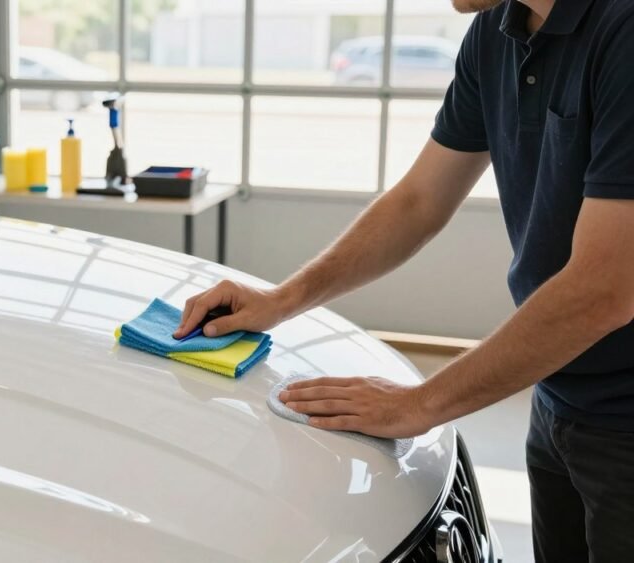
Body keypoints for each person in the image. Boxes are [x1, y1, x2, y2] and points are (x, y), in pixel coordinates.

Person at [174, 0, 634, 560]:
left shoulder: (624, 31)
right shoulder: (497, 29)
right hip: (561, 395)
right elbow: (418, 202)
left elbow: (603, 289)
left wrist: (419, 405)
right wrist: (281, 300)